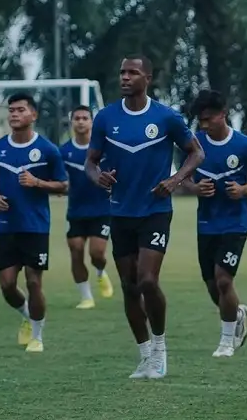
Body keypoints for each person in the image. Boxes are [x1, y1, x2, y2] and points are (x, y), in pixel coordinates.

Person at [85, 55, 205, 379]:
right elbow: (91, 161)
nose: (125, 77)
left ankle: (160, 347)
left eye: (132, 72)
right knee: (128, 286)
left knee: (147, 280)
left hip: (155, 210)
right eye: (122, 71)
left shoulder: (166, 117)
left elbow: (196, 152)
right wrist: (98, 177)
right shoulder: (106, 118)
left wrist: (175, 179)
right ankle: (144, 355)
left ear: (147, 78)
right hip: (120, 211)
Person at [183, 90, 247, 357]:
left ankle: (226, 342)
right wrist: (195, 188)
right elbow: (181, 178)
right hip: (206, 223)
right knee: (212, 284)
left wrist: (245, 189)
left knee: (224, 280)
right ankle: (237, 313)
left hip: (235, 224)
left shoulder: (244, 145)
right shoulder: (194, 144)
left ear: (223, 114)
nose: (204, 124)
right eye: (201, 120)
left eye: (209, 118)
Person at [0, 93, 68, 352]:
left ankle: (37, 335)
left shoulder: (48, 150)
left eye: (20, 110)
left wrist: (37, 183)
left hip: (35, 225)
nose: (14, 114)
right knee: (6, 284)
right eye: (11, 110)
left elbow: (64, 185)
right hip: (6, 226)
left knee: (34, 282)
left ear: (33, 115)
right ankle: (27, 314)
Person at [60, 105, 114, 309]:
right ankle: (86, 297)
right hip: (76, 211)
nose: (81, 121)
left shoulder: (103, 149)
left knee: (97, 253)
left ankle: (100, 272)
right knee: (76, 250)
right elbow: (57, 176)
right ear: (72, 122)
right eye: (77, 118)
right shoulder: (64, 151)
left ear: (91, 122)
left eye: (85, 118)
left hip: (101, 210)